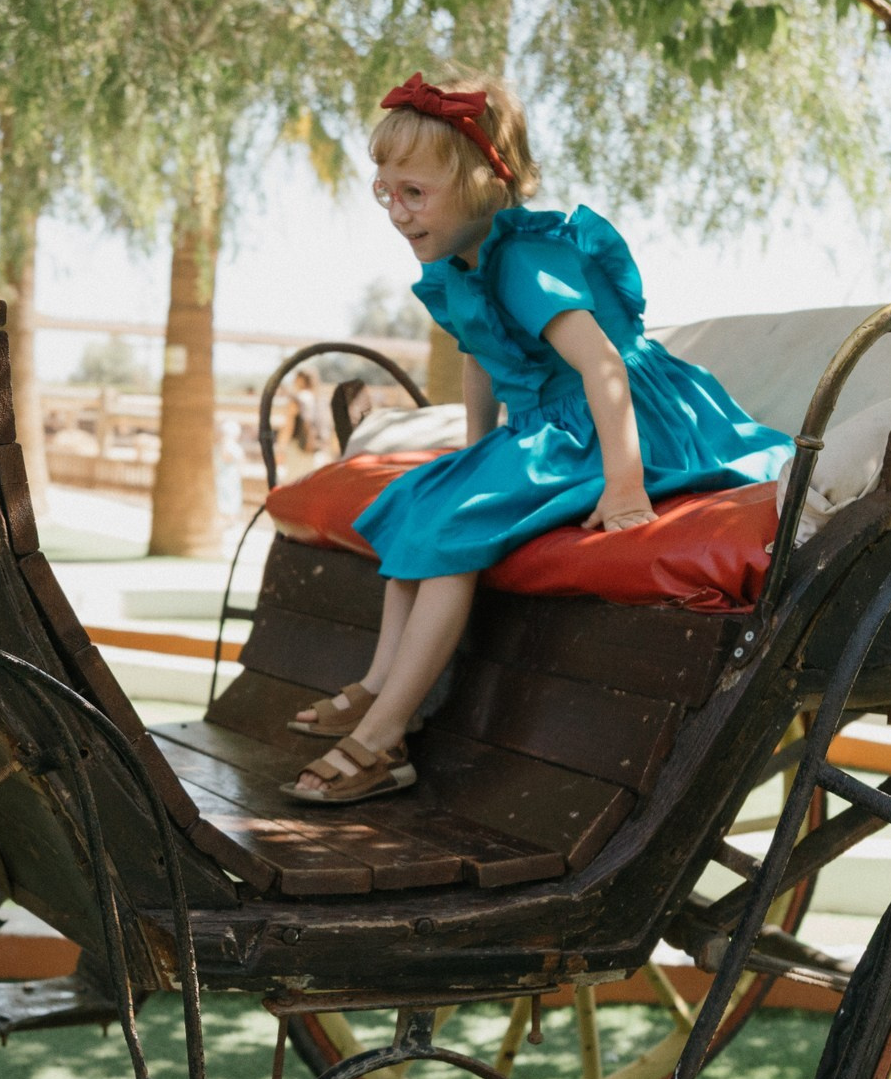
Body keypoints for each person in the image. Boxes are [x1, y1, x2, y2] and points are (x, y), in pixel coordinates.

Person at [284, 72, 794, 803]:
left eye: (414, 193)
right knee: (420, 499)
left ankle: (383, 740)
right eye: (384, 191)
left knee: (455, 529)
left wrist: (626, 486)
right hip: (548, 425)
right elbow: (480, 355)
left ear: (481, 186)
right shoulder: (456, 261)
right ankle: (377, 681)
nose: (396, 211)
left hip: (612, 423)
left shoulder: (524, 259)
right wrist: (472, 447)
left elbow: (605, 367)